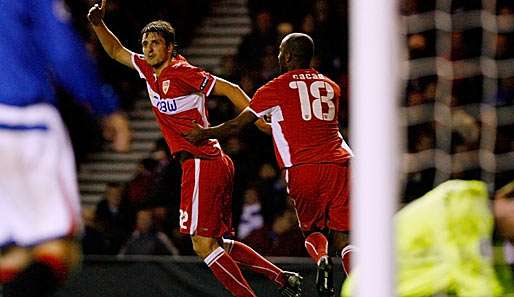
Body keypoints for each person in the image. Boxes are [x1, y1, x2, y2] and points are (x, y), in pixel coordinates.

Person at [87, 1, 302, 297]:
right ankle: (281, 277)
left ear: (171, 48)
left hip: (203, 161)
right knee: (217, 243)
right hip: (207, 162)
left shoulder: (182, 72)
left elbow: (232, 89)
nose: (148, 49)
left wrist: (258, 122)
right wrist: (99, 24)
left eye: (156, 44)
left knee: (202, 245)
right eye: (145, 43)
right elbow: (115, 51)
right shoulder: (150, 72)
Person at [184, 32, 354, 297]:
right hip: (341, 164)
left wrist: (203, 133)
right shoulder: (332, 86)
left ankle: (321, 259)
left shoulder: (274, 87)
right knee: (344, 236)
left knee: (312, 231)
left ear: (286, 56)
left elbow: (237, 125)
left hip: (302, 167)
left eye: (279, 52)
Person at [0, 0, 131, 296]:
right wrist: (105, 106)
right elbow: (62, 49)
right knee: (58, 247)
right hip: (22, 120)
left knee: (12, 251)